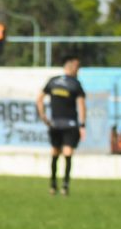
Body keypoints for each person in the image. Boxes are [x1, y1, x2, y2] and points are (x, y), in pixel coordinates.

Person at [36, 55, 86, 196]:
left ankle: (52, 185)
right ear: (72, 69)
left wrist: (43, 116)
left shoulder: (53, 81)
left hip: (55, 123)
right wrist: (82, 124)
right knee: (68, 154)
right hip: (70, 124)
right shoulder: (76, 84)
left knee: (55, 153)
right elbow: (82, 105)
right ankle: (65, 185)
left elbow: (39, 99)